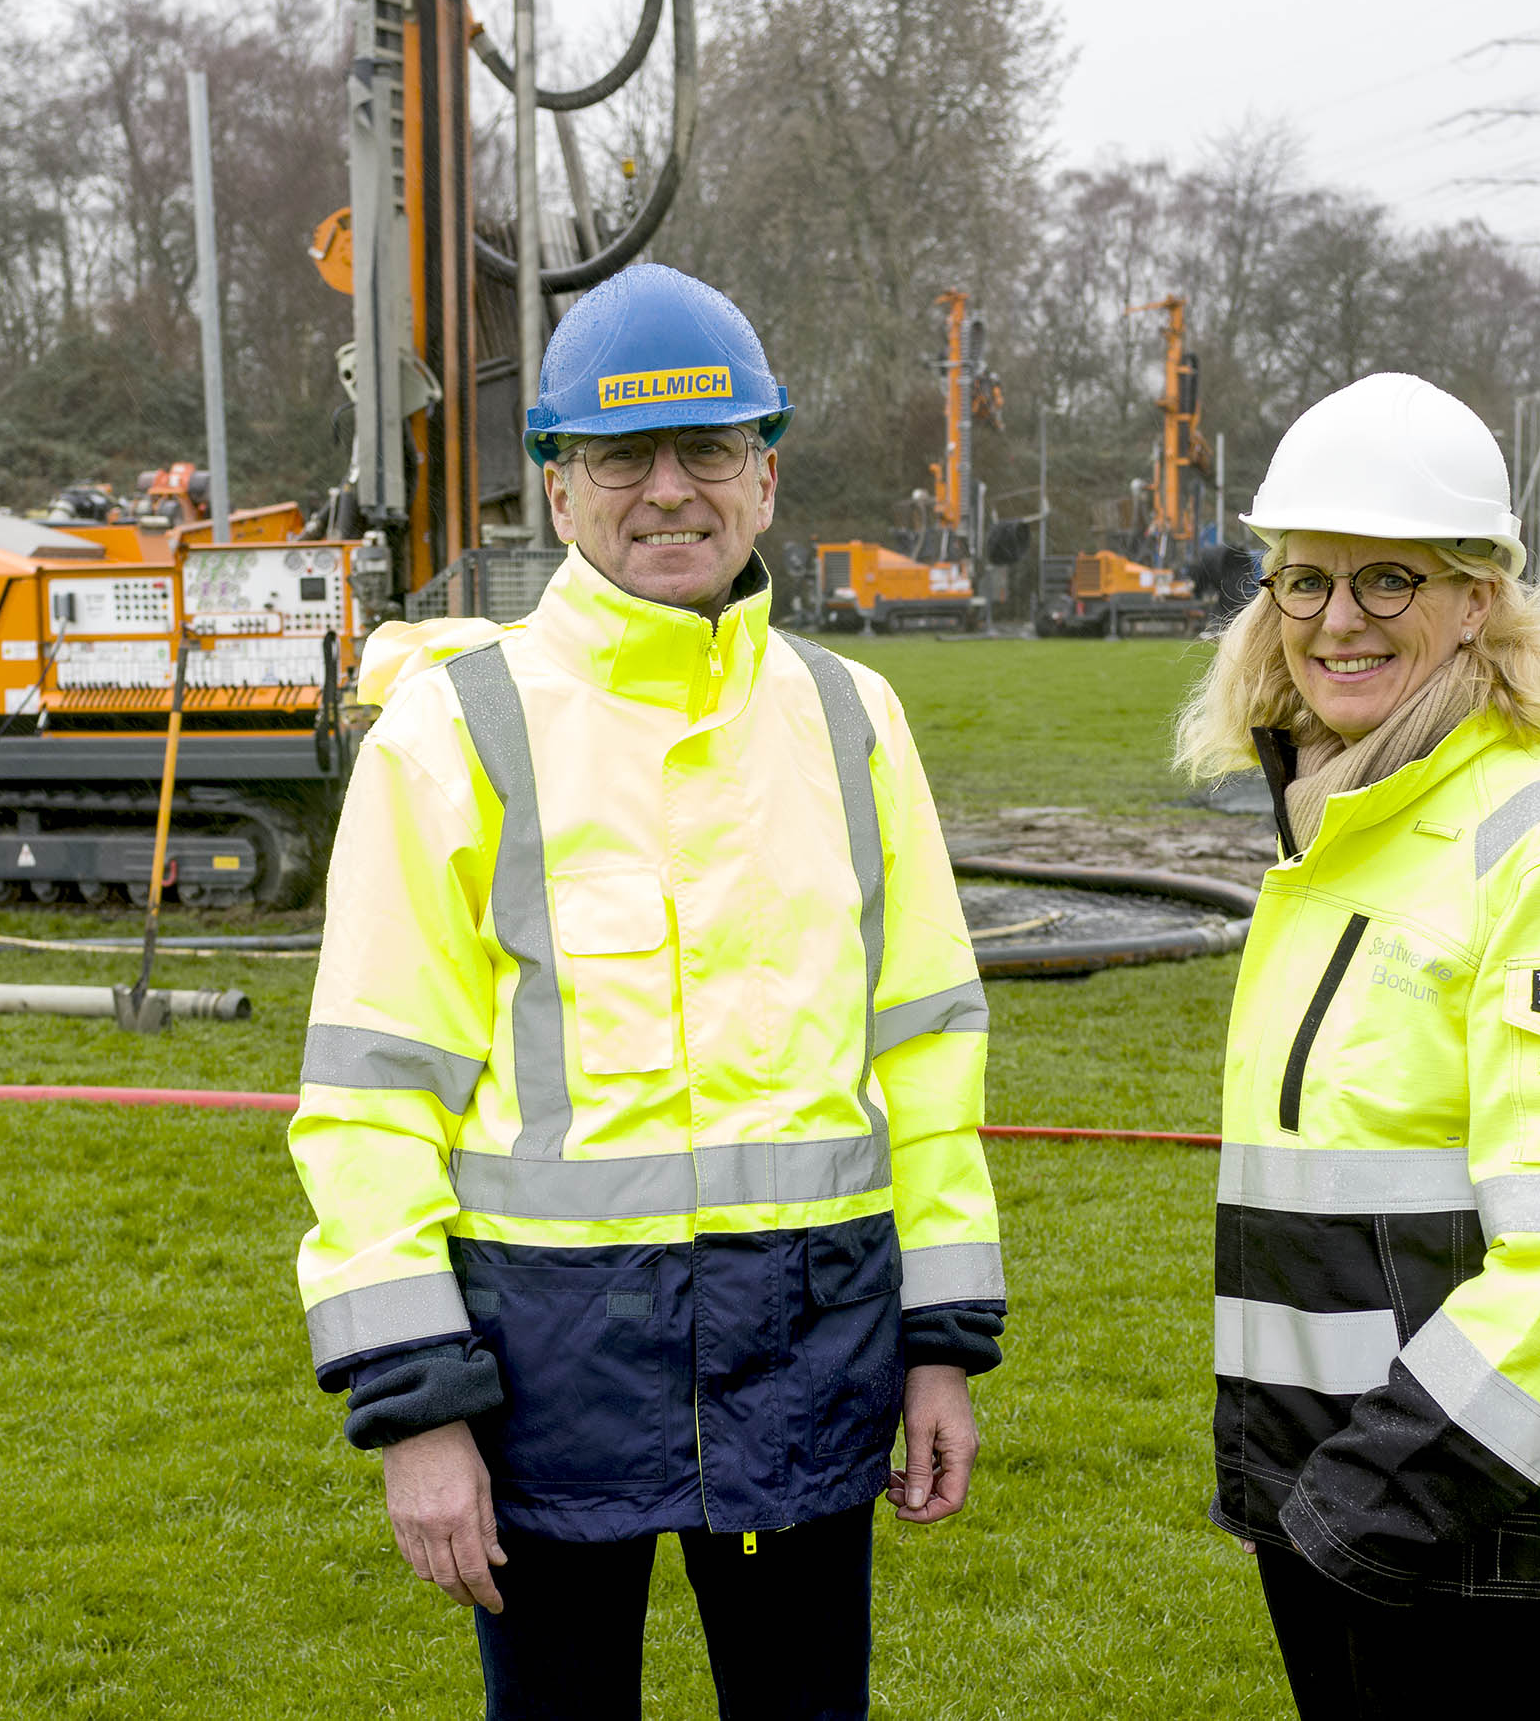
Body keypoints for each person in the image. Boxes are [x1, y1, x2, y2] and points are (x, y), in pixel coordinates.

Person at [288, 264, 1004, 1721]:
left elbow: (926, 1054)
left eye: (709, 450)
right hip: (544, 1389)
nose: (668, 491)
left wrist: (940, 1344)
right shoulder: (452, 730)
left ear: (765, 477)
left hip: (806, 1364)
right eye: (622, 455)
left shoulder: (851, 717)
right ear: (558, 486)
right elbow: (369, 1100)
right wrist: (418, 1412)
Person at [1174, 372, 1540, 1721]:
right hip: (1327, 1505)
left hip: (1478, 1538)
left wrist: (1369, 1495)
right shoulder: (1333, 835)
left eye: (1388, 580)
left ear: (1479, 598)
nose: (1337, 621)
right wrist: (1289, 1488)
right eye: (1305, 581)